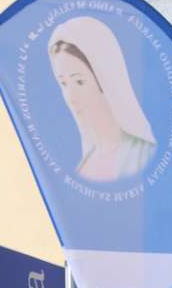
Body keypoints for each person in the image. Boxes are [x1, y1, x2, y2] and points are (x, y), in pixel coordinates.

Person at [49, 17, 157, 181]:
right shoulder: (83, 168)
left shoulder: (144, 156)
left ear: (104, 80)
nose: (71, 97)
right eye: (63, 84)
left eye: (79, 82)